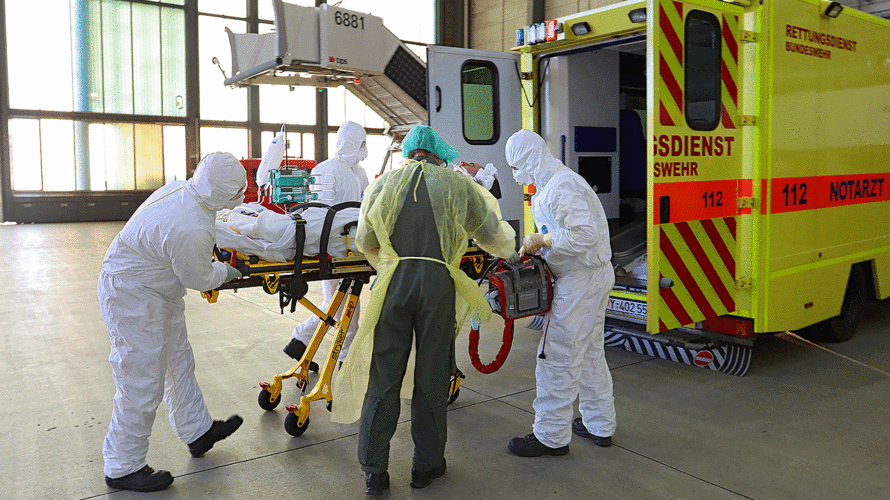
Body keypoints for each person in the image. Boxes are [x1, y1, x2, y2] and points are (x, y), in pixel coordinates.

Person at [330, 125, 518, 495]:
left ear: (409, 152)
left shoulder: (382, 185)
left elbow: (366, 241)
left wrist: (392, 264)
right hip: (437, 286)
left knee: (383, 377)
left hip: (393, 285)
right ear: (437, 152)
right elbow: (495, 237)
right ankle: (426, 465)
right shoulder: (457, 185)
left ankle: (374, 470)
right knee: (432, 377)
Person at [97, 152, 247, 492]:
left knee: (179, 362)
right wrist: (229, 270)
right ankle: (123, 465)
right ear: (219, 190)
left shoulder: (184, 190)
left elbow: (202, 234)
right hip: (132, 296)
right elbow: (199, 276)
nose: (242, 195)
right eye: (237, 190)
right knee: (141, 380)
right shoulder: (189, 225)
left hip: (156, 288)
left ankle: (197, 431)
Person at [504, 129, 617, 457]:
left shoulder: (561, 186)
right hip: (591, 275)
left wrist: (545, 241)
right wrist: (543, 245)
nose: (514, 174)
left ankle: (550, 437)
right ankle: (600, 424)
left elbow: (584, 236)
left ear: (529, 159)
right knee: (591, 353)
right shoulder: (551, 184)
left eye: (515, 166)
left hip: (581, 281)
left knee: (557, 357)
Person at [283, 121, 370, 368]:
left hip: (351, 248)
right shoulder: (326, 170)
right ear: (351, 143)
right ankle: (342, 362)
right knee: (344, 310)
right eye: (362, 144)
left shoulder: (359, 173)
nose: (365, 150)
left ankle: (300, 341)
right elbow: (318, 216)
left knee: (336, 305)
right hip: (332, 249)